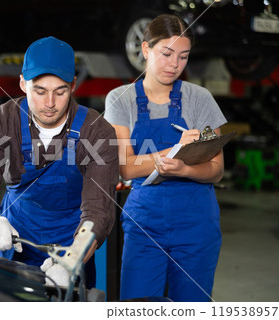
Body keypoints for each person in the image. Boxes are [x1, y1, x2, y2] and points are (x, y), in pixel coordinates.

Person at [0, 36, 118, 287]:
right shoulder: (4, 120)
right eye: (40, 91)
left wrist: (73, 259)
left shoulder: (96, 131)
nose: (50, 104)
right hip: (15, 241)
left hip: (74, 245)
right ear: (23, 83)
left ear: (74, 85)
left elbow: (99, 211)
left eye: (60, 91)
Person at [104, 14, 227, 302]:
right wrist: (170, 154)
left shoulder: (201, 99)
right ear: (145, 49)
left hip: (197, 224)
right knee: (137, 305)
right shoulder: (120, 99)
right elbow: (125, 166)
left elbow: (217, 169)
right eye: (167, 53)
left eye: (183, 56)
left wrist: (184, 168)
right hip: (145, 224)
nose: (175, 64)